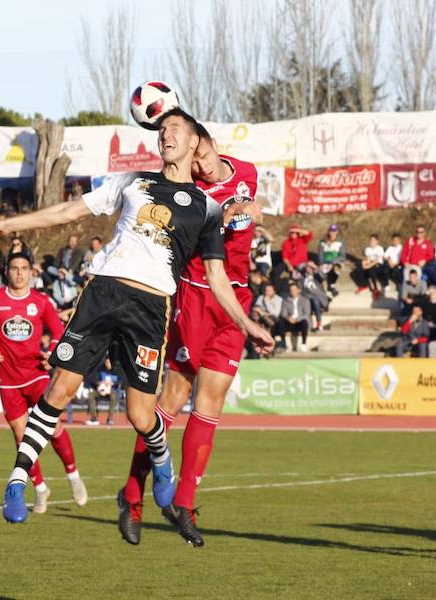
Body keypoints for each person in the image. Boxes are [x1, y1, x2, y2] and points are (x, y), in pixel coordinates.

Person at [0, 108, 274, 525]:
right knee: (59, 390)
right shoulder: (134, 182)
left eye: (176, 130)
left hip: (150, 309)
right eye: (162, 129)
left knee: (140, 415)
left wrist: (248, 324)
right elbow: (67, 212)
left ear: (193, 142)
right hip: (102, 293)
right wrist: (5, 226)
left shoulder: (206, 208)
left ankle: (161, 456)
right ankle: (18, 480)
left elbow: (217, 278)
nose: (166, 135)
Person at [118, 123, 263, 546]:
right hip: (197, 296)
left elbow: (253, 204)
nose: (197, 166)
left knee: (212, 400)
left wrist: (254, 208)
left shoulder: (247, 171)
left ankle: (184, 502)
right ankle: (132, 495)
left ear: (213, 145)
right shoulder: (194, 196)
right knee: (171, 399)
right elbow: (219, 219)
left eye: (200, 156)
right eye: (191, 162)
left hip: (236, 300)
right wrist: (237, 212)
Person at [0, 252, 89, 515]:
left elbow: (58, 331)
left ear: (31, 272)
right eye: (14, 268)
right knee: (20, 436)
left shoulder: (41, 301)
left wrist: (53, 353)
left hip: (37, 374)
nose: (19, 273)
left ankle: (73, 476)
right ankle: (40, 488)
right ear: (7, 271)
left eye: (24, 268)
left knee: (54, 427)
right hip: (8, 379)